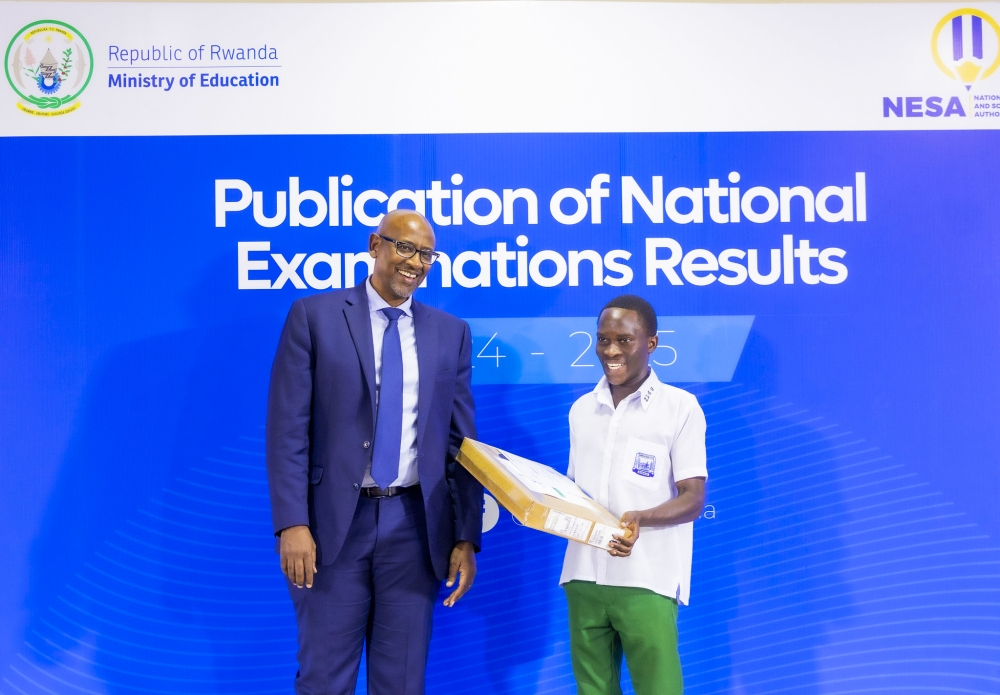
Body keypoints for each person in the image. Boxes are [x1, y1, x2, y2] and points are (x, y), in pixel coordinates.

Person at [266, 209, 482, 695]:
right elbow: (287, 431)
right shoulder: (314, 317)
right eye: (404, 247)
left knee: (402, 683)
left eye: (427, 254)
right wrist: (292, 523)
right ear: (375, 245)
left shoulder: (451, 333)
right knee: (323, 678)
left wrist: (466, 536)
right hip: (328, 530)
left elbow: (460, 444)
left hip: (415, 529)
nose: (415, 262)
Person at [560, 294, 707, 695]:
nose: (610, 351)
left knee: (659, 689)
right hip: (583, 576)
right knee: (592, 690)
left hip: (647, 577)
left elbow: (693, 498)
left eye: (624, 340)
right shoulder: (580, 410)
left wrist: (641, 518)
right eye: (603, 339)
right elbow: (574, 493)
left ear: (651, 344)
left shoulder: (681, 408)